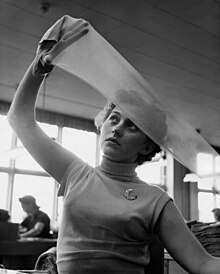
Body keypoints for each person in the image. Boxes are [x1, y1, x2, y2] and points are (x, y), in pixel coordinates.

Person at [7, 22, 220, 274]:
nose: (117, 128)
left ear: (147, 145)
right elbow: (19, 120)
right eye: (114, 118)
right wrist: (38, 68)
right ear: (103, 122)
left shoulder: (156, 200)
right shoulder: (76, 173)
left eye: (132, 126)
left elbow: (203, 263)